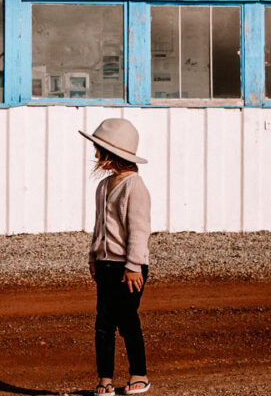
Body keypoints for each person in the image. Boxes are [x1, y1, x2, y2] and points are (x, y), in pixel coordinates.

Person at [78, 118, 151, 396]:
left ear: (114, 153)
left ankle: (139, 374)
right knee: (103, 324)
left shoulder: (135, 187)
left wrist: (133, 266)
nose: (96, 155)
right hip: (107, 266)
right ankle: (105, 379)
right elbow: (100, 227)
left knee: (128, 320)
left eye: (100, 150)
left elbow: (139, 229)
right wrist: (93, 258)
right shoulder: (104, 187)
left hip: (129, 268)